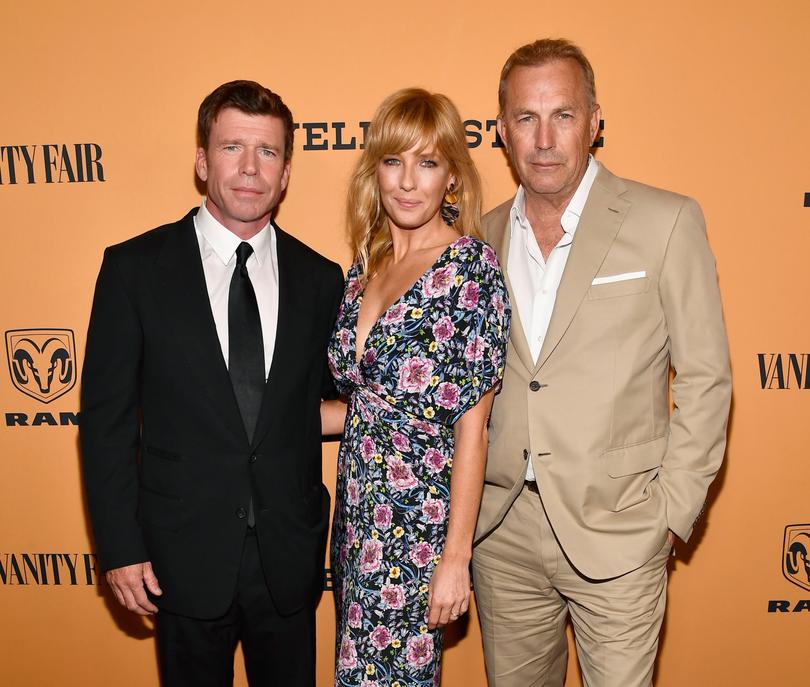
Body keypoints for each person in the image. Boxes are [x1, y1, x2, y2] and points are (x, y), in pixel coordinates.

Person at [471, 39, 731, 687]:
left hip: (620, 525)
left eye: (563, 114)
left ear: (595, 121)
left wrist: (671, 511)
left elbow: (706, 377)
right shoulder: (481, 235)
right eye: (526, 118)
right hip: (503, 534)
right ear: (502, 130)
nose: (544, 138)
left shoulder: (664, 221)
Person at [80, 80, 344, 687]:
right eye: (232, 148)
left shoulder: (321, 279)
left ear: (285, 174)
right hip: (180, 556)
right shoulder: (134, 270)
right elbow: (106, 425)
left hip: (288, 558)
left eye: (268, 152)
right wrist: (119, 547)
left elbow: (333, 399)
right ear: (202, 162)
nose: (250, 169)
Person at [321, 88, 511, 686]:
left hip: (417, 532)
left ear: (451, 177)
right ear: (374, 171)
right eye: (394, 161)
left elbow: (472, 429)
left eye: (427, 163)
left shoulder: (471, 271)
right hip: (356, 526)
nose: (408, 182)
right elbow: (363, 409)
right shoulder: (366, 265)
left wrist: (456, 559)